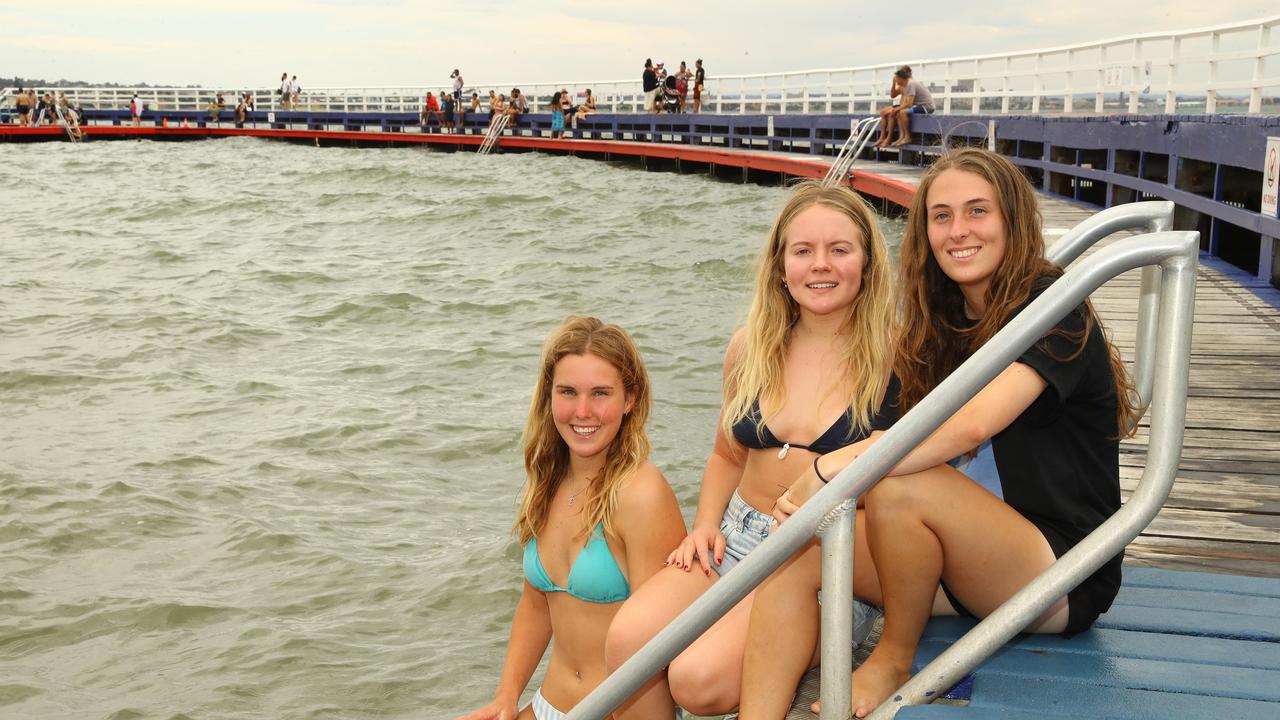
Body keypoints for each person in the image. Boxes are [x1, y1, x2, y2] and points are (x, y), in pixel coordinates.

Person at [742, 147, 1140, 719]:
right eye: (942, 215)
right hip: (968, 565)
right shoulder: (947, 318)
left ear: (1013, 220)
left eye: (978, 212)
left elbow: (969, 425)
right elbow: (894, 425)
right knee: (799, 553)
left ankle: (891, 660)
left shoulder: (1054, 305)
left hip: (1058, 573)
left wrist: (828, 471)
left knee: (902, 483)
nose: (959, 231)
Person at [605, 181, 899, 719]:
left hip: (820, 557)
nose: (820, 265)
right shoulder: (750, 347)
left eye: (840, 249)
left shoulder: (894, 356)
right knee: (626, 643)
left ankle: (810, 634)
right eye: (803, 250)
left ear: (868, 262)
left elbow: (908, 474)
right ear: (780, 265)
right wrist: (705, 524)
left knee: (697, 681)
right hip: (736, 535)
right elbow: (726, 455)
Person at [456, 316, 686, 720]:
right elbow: (537, 604)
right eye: (568, 392)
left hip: (621, 712)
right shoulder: (546, 481)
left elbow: (659, 647)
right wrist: (506, 697)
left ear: (630, 399)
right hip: (549, 704)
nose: (583, 411)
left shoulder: (641, 494)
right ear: (549, 396)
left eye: (600, 393)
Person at [885, 65, 935, 148]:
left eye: (896, 78)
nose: (895, 80)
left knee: (902, 112)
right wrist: (897, 109)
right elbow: (905, 102)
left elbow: (909, 104)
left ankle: (907, 137)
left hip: (927, 107)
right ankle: (903, 137)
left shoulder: (911, 84)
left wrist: (897, 108)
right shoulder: (908, 84)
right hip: (920, 106)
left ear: (901, 78)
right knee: (899, 112)